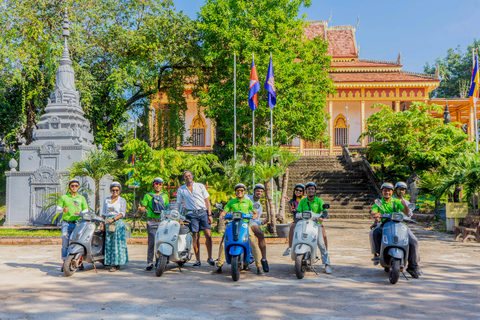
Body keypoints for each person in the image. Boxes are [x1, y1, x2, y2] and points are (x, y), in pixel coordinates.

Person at [370, 182, 420, 278]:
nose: (387, 193)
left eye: (389, 191)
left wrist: (403, 203)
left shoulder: (397, 201)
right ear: (382, 192)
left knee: (412, 242)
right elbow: (373, 212)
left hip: (399, 225)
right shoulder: (379, 202)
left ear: (392, 192)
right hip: (386, 225)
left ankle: (412, 266)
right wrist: (375, 215)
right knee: (376, 232)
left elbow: (406, 212)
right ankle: (378, 254)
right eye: (385, 191)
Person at [212, 184, 264, 275]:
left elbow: (255, 213)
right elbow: (224, 212)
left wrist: (253, 216)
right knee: (224, 243)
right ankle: (219, 266)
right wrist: (221, 216)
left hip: (245, 224)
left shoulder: (248, 202)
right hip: (233, 224)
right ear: (235, 192)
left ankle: (259, 266)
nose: (239, 192)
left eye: (241, 190)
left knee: (252, 242)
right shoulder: (231, 202)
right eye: (237, 191)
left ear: (244, 192)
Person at [176, 170, 214, 267]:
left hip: (203, 213)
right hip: (191, 214)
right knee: (195, 236)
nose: (187, 177)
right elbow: (179, 204)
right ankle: (197, 260)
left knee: (208, 235)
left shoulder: (200, 186)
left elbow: (207, 201)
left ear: (192, 176)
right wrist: (180, 218)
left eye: (189, 175)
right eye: (185, 176)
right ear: (183, 178)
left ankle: (210, 258)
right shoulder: (181, 190)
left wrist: (209, 215)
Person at [296, 182, 332, 274]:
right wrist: (296, 214)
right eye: (308, 189)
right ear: (306, 191)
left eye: (312, 189)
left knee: (320, 244)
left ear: (315, 190)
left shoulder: (319, 201)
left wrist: (322, 217)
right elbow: (298, 211)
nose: (310, 190)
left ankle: (327, 264)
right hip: (304, 223)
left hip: (316, 225)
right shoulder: (302, 201)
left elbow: (325, 211)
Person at [56, 178, 89, 272]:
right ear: (69, 187)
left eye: (76, 185)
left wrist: (80, 213)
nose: (74, 187)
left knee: (79, 243)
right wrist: (63, 210)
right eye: (72, 186)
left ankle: (79, 262)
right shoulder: (64, 197)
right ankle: (64, 263)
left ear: (78, 187)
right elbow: (58, 209)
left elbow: (86, 210)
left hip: (78, 223)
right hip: (66, 223)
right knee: (65, 243)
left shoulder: (81, 198)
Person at [138, 177, 169, 271]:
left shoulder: (165, 196)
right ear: (153, 184)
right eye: (156, 184)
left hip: (162, 222)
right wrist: (140, 209)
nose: (158, 186)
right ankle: (150, 262)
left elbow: (167, 209)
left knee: (161, 243)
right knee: (151, 243)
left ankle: (160, 261)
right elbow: (143, 208)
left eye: (160, 184)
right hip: (151, 221)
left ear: (162, 185)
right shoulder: (147, 196)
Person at [394, 181, 422, 276]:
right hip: (390, 225)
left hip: (402, 226)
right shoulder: (390, 200)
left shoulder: (406, 202)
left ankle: (413, 265)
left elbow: (409, 215)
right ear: (395, 190)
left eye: (403, 190)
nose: (401, 191)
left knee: (414, 241)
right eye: (399, 189)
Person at [100, 182, 129, 272]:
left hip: (117, 222)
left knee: (117, 243)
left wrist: (113, 219)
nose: (115, 192)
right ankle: (109, 261)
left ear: (119, 190)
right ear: (111, 191)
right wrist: (102, 224)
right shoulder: (106, 200)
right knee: (109, 243)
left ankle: (115, 263)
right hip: (108, 222)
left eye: (116, 190)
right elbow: (104, 213)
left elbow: (122, 213)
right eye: (113, 190)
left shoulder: (122, 200)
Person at [246, 184, 269, 272]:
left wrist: (262, 222)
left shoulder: (259, 206)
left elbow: (256, 220)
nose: (259, 193)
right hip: (241, 219)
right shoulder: (247, 197)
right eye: (258, 191)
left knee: (260, 234)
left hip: (251, 222)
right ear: (254, 191)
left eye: (261, 191)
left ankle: (263, 259)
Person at [282, 183, 306, 256]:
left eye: (300, 190)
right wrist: (289, 204)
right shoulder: (293, 200)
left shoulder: (305, 199)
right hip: (297, 221)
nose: (298, 191)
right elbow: (291, 211)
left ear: (303, 192)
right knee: (292, 227)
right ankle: (290, 247)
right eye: (296, 190)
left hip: (305, 220)